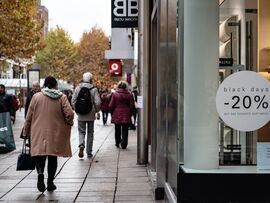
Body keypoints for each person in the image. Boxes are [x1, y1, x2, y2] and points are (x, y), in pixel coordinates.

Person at [23, 76, 74, 192]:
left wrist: (26, 131)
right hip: (55, 132)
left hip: (38, 131)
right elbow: (70, 113)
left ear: (44, 85)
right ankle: (50, 182)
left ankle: (40, 173)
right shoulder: (62, 97)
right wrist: (68, 122)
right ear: (55, 85)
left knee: (39, 155)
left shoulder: (36, 97)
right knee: (52, 157)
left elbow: (28, 116)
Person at [71, 72, 101, 158]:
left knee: (81, 131)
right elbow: (98, 102)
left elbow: (73, 100)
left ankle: (81, 144)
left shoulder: (78, 88)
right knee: (90, 132)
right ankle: (89, 152)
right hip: (91, 114)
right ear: (91, 79)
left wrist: (77, 110)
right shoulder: (94, 89)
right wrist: (96, 110)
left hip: (81, 114)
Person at [109, 81, 134, 149]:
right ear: (125, 86)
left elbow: (111, 105)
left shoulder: (114, 94)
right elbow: (131, 105)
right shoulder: (129, 94)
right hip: (126, 113)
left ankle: (117, 142)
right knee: (125, 129)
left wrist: (112, 113)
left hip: (116, 113)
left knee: (117, 129)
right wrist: (130, 113)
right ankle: (124, 144)